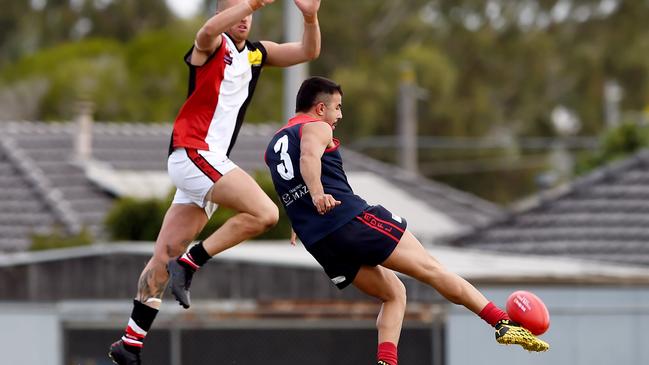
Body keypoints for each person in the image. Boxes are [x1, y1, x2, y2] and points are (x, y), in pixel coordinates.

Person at [265, 76, 550, 365]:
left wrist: (301, 215)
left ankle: (386, 362)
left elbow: (290, 185)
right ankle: (502, 323)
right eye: (337, 107)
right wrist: (316, 195)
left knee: (393, 293)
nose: (339, 115)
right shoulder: (316, 127)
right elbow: (309, 158)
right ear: (320, 108)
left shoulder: (274, 143)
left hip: (320, 241)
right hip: (349, 219)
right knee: (432, 269)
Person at [108, 0, 321, 364]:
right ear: (224, 12)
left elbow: (307, 51)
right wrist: (249, 4)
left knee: (165, 252)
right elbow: (205, 32)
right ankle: (190, 264)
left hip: (209, 163)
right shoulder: (211, 45)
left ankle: (130, 343)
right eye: (238, 10)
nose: (245, 18)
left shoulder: (255, 54)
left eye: (250, 13)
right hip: (193, 153)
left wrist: (310, 16)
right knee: (265, 214)